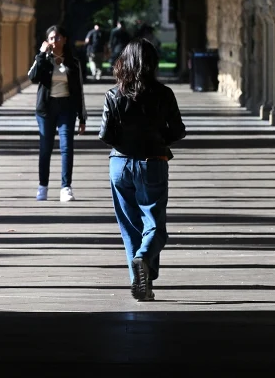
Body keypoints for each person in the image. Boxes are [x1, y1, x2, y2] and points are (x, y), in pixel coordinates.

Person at [99, 39, 187, 302]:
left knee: (130, 227)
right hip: (153, 162)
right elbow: (179, 130)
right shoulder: (164, 94)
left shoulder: (113, 95)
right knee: (155, 226)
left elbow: (105, 135)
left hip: (120, 163)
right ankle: (144, 259)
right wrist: (160, 138)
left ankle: (142, 284)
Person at [27, 24, 87, 202]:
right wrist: (41, 54)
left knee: (67, 148)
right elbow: (32, 77)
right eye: (52, 38)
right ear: (47, 41)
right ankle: (42, 186)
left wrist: (82, 117)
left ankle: (65, 187)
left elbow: (79, 91)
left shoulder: (73, 63)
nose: (55, 41)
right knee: (45, 149)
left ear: (65, 39)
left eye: (58, 37)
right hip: (46, 109)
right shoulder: (43, 60)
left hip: (66, 109)